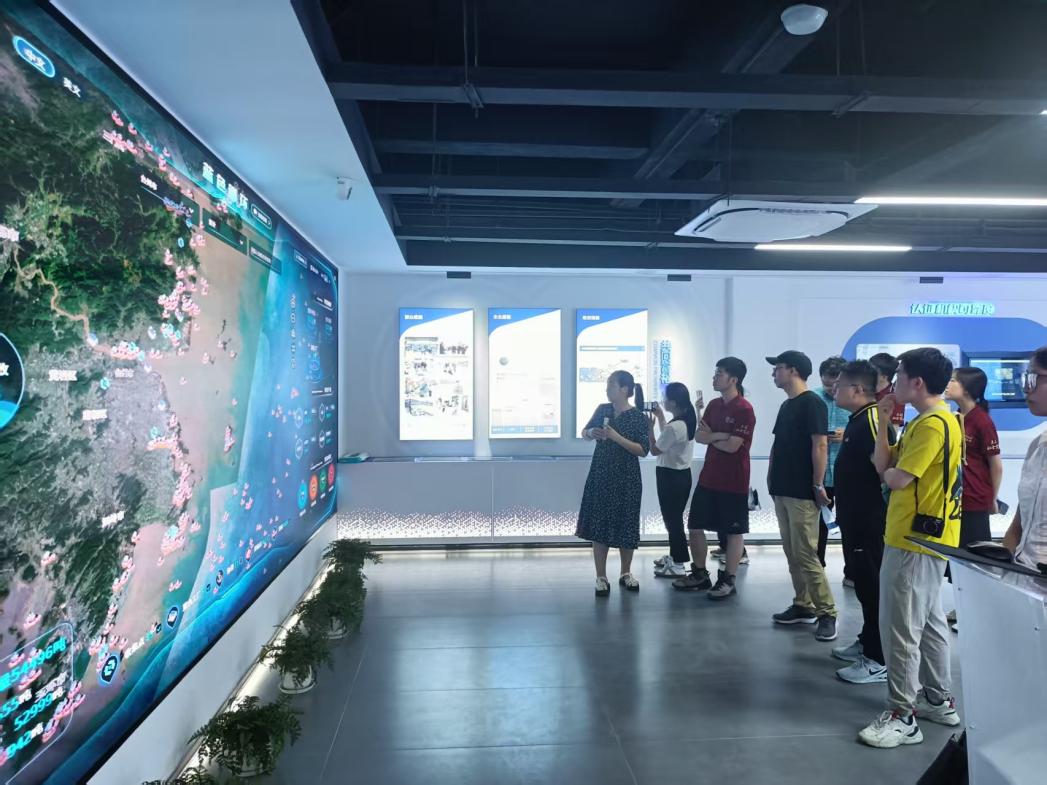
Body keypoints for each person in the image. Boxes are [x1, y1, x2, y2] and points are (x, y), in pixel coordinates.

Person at [859, 348, 963, 749]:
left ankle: (903, 715)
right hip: (925, 538)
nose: (892, 382)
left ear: (916, 382)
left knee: (900, 628)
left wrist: (889, 472)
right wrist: (884, 422)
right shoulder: (935, 419)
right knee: (930, 622)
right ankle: (938, 699)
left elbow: (897, 478)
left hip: (914, 540)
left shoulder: (932, 425)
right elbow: (881, 464)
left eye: (899, 375)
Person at [830, 361, 895, 684]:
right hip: (854, 519)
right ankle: (867, 640)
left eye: (839, 385)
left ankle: (878, 658)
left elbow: (883, 470)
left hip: (869, 521)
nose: (834, 390)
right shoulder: (858, 419)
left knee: (872, 588)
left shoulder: (872, 421)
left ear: (857, 389)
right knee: (863, 585)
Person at [765, 351, 836, 641]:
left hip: (802, 491)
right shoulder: (787, 405)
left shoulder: (813, 403)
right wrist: (771, 476)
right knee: (792, 553)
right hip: (782, 488)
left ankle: (827, 612)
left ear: (793, 371)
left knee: (806, 553)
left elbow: (820, 445)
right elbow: (777, 444)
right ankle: (803, 603)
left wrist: (818, 485)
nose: (774, 373)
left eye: (778, 368)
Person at [672, 358, 756, 599]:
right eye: (715, 373)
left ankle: (729, 579)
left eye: (720, 373)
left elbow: (732, 446)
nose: (715, 377)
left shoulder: (744, 409)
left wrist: (714, 436)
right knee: (694, 525)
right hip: (709, 477)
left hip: (734, 480)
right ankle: (699, 573)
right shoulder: (713, 405)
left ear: (734, 379)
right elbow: (699, 436)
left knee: (733, 531)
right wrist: (720, 435)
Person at [577, 371, 650, 596]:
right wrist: (592, 432)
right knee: (599, 525)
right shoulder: (603, 409)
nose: (607, 389)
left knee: (626, 523)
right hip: (601, 474)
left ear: (624, 389)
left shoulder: (638, 417)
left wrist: (616, 437)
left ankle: (625, 572)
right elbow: (584, 432)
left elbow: (643, 450)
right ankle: (601, 576)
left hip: (627, 478)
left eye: (611, 385)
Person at [944, 367, 1003, 626]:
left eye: (953, 381)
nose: (948, 384)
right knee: (958, 556)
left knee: (975, 558)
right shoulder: (955, 416)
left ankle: (976, 611)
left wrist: (992, 499)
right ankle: (963, 607)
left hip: (976, 499)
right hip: (956, 499)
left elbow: (996, 465)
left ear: (967, 388)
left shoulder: (982, 421)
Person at [1004, 347, 1047, 569]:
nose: (1026, 388)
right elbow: (1019, 524)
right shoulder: (1036, 446)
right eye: (1025, 378)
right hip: (1023, 573)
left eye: (1033, 378)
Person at [649, 382, 697, 578]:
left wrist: (649, 430)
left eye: (665, 398)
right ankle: (675, 555)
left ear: (674, 402)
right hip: (682, 475)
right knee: (674, 519)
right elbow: (667, 439)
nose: (663, 401)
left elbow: (655, 449)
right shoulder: (685, 420)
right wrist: (661, 417)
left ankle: (678, 563)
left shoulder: (675, 426)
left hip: (670, 477)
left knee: (673, 521)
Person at [815, 356, 850, 573]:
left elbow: (865, 430)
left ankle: (852, 570)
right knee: (819, 523)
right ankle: (817, 566)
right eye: (826, 383)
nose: (831, 389)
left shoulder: (853, 401)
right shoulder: (812, 398)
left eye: (835, 384)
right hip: (820, 473)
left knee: (849, 522)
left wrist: (847, 434)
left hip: (846, 472)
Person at [869, 352, 907, 429]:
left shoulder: (895, 398)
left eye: (871, 370)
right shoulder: (863, 391)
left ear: (884, 377)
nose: (866, 372)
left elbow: (893, 432)